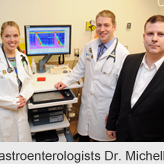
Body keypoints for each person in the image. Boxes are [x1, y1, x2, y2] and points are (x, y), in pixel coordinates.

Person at [106, 15, 164, 142]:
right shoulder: (130, 61)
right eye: (150, 33)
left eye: (161, 34)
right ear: (144, 37)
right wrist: (111, 123)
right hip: (122, 136)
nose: (154, 39)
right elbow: (119, 96)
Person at [55, 10, 129, 141]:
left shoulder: (123, 54)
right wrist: (65, 81)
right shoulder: (90, 46)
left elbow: (123, 89)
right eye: (99, 25)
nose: (102, 29)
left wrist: (115, 115)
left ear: (114, 27)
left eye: (106, 25)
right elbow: (79, 69)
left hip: (105, 108)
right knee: (84, 137)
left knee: (102, 142)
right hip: (87, 104)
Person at [0, 21, 34, 142]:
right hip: (0, 116)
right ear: (1, 37)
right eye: (7, 36)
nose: (12, 40)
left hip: (20, 113)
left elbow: (29, 82)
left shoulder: (22, 58)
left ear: (19, 36)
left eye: (15, 35)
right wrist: (12, 102)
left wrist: (24, 96)